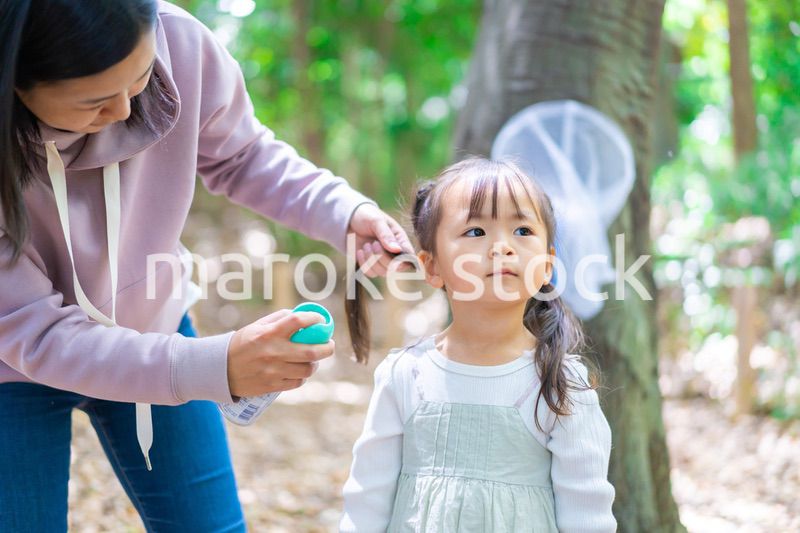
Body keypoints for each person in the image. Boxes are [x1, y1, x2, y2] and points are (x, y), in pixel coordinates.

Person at [0, 1, 412, 531]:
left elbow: (242, 156)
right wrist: (213, 367)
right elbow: (37, 332)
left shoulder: (179, 42)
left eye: (143, 78)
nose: (126, 113)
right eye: (95, 102)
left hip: (157, 326)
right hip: (13, 369)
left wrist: (344, 212)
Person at [340, 158, 617, 532]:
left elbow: (587, 515)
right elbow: (366, 503)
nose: (501, 246)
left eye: (521, 230)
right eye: (475, 232)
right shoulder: (406, 374)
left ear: (548, 265)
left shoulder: (561, 386)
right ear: (432, 267)